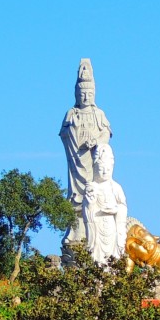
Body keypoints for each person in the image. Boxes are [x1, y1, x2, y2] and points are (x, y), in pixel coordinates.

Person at [59, 58, 112, 255]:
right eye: (82, 94)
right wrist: (74, 137)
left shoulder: (99, 114)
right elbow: (64, 134)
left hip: (92, 162)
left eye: (89, 93)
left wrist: (96, 140)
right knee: (76, 197)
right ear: (76, 94)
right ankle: (75, 230)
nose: (86, 96)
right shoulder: (72, 113)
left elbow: (107, 133)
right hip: (76, 160)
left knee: (94, 192)